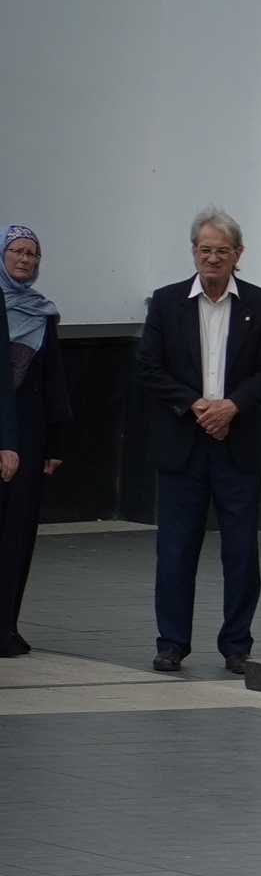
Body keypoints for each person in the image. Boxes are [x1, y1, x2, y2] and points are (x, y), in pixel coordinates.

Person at [134, 209, 261, 674]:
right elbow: (148, 366)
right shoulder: (166, 301)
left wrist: (231, 407)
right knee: (176, 550)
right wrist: (196, 405)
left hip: (237, 444)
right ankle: (172, 642)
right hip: (183, 444)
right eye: (204, 249)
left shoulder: (260, 303)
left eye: (222, 250)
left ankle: (237, 644)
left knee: (241, 550)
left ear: (238, 255)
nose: (212, 257)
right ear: (192, 251)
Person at [0, 226, 73, 657]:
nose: (25, 260)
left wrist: (54, 442)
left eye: (33, 254)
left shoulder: (41, 313)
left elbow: (53, 380)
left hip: (27, 433)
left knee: (19, 531)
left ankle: (6, 624)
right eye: (16, 252)